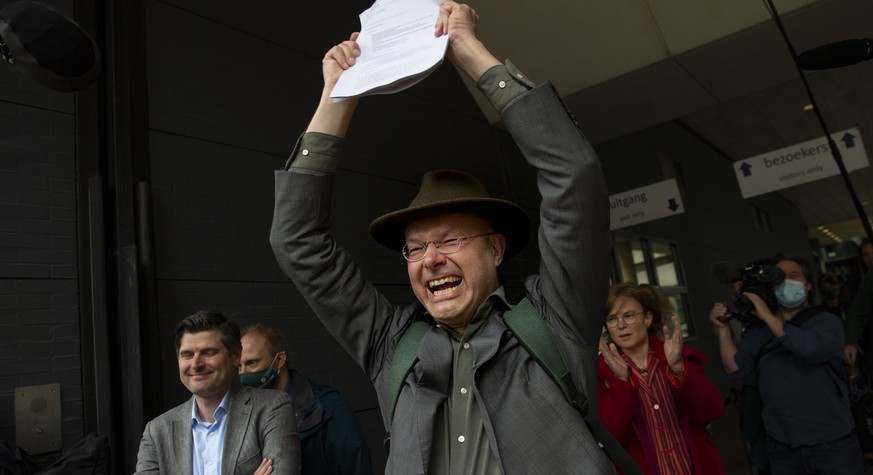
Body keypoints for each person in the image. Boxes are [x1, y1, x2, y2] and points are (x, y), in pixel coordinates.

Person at [269, 1, 620, 473]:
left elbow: (574, 176)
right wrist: (338, 92)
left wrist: (468, 49)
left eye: (451, 240)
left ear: (495, 249)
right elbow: (297, 241)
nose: (429, 259)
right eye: (414, 248)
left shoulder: (557, 321)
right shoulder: (390, 346)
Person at [710, 255, 864, 475]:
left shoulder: (826, 322)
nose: (786, 282)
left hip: (832, 446)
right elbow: (735, 369)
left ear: (808, 286)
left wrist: (766, 316)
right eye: (779, 278)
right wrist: (723, 330)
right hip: (783, 449)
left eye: (794, 276)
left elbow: (810, 349)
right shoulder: (758, 331)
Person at [135, 310, 301, 475]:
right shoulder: (157, 431)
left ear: (235, 355)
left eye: (209, 352)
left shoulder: (273, 407)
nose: (196, 364)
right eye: (187, 354)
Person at [598, 283, 725, 474]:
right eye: (612, 319)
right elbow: (611, 439)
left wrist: (678, 371)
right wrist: (621, 382)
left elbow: (712, 411)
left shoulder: (677, 358)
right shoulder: (602, 374)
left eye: (629, 315)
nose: (621, 325)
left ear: (648, 318)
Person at [239, 324, 374, 475]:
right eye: (239, 366)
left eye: (252, 363)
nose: (243, 374)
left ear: (279, 360)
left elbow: (356, 467)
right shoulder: (240, 412)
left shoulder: (326, 408)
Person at [844, 240, 873, 370]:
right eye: (866, 255)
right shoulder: (864, 280)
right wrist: (850, 342)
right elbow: (857, 312)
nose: (870, 258)